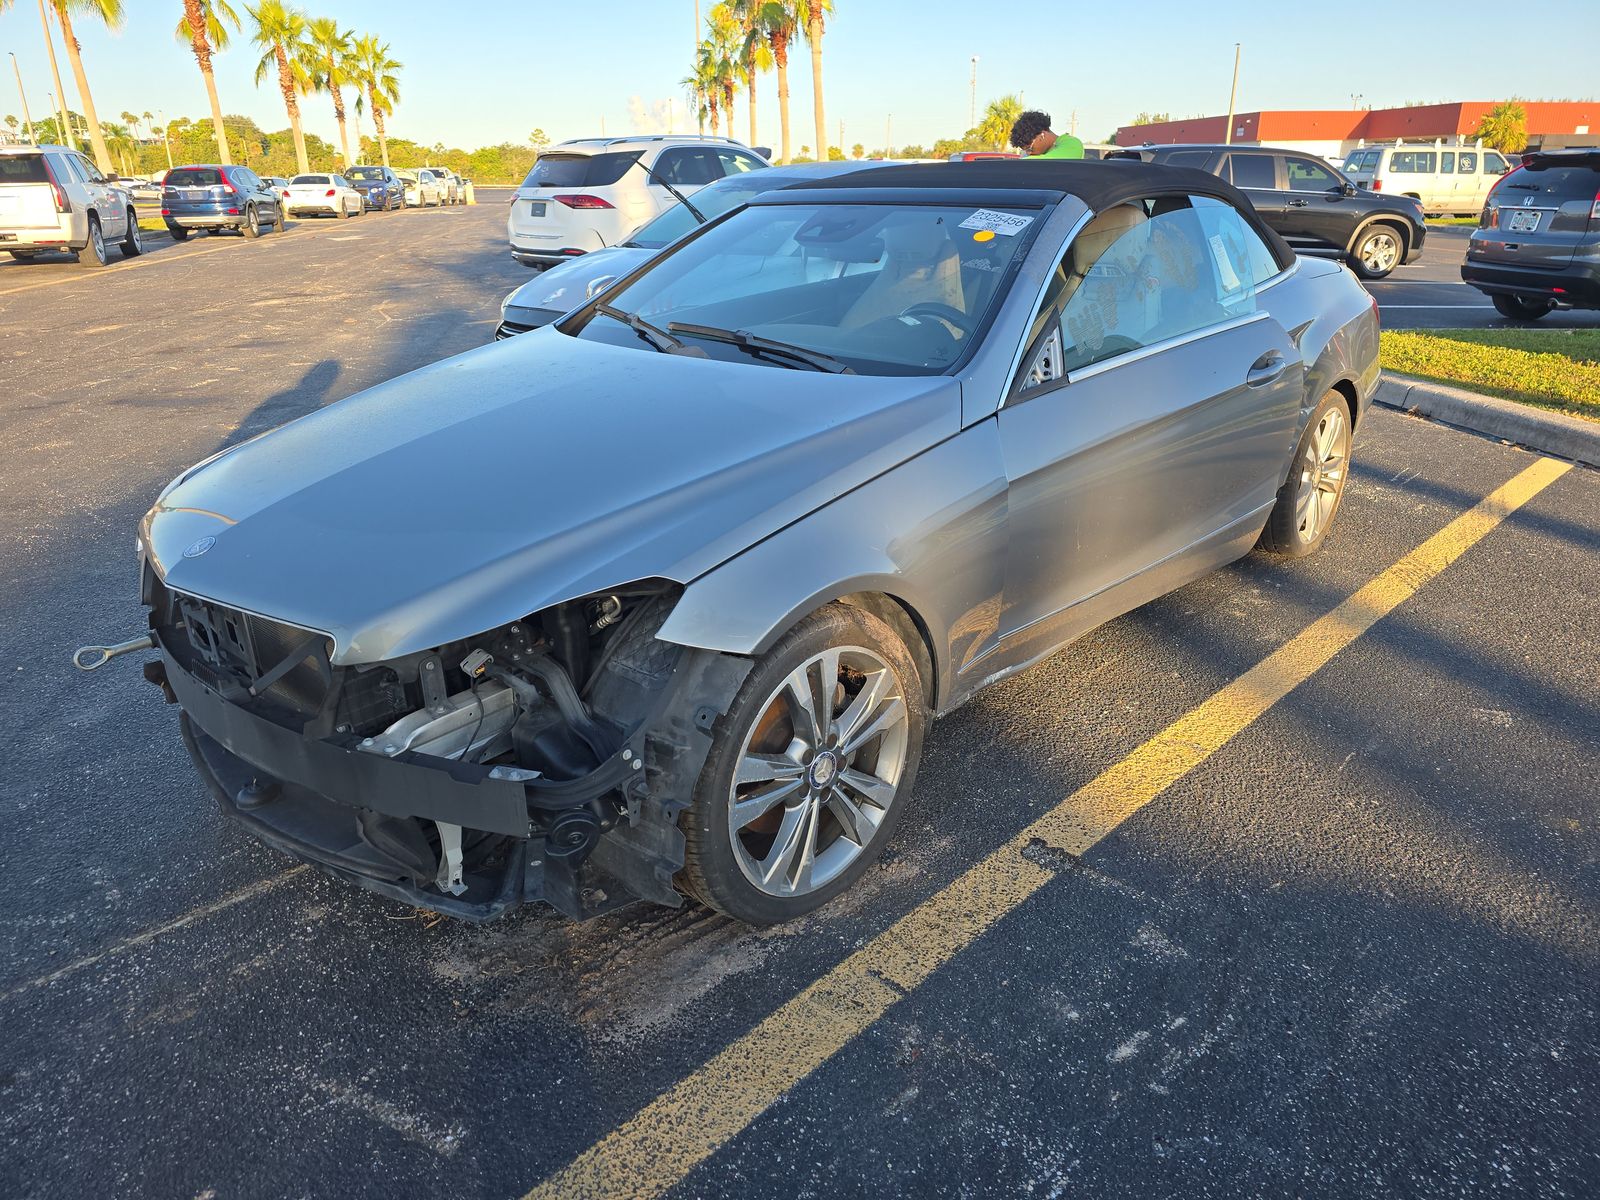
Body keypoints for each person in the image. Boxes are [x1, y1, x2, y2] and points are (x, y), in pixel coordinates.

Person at [1009, 110, 1084, 160]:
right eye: (1025, 151)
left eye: (1030, 149)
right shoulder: (1038, 155)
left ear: (1042, 135)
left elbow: (1048, 162)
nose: (1029, 153)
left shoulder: (1072, 143)